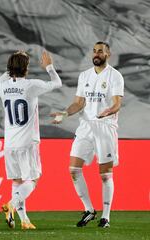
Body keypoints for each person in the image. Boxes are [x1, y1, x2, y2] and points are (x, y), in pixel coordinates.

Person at [51, 41, 124, 228]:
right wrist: (65, 113)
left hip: (105, 127)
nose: (96, 54)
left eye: (100, 51)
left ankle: (105, 217)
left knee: (105, 174)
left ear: (108, 54)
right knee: (73, 169)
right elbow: (79, 103)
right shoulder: (84, 76)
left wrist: (107, 112)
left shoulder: (115, 76)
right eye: (94, 51)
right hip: (85, 127)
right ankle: (89, 210)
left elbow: (117, 104)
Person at [0, 50, 62, 229]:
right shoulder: (31, 85)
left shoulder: (2, 87)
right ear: (26, 69)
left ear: (9, 68)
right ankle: (11, 205)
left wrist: (13, 64)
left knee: (17, 181)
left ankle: (24, 220)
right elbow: (57, 82)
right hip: (27, 142)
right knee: (33, 180)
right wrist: (49, 66)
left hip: (9, 144)